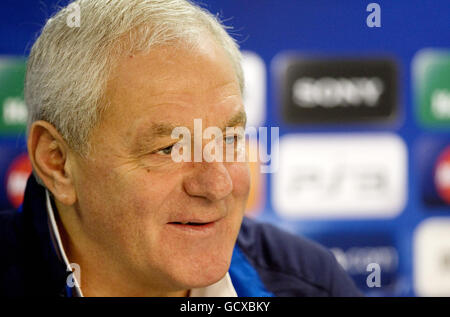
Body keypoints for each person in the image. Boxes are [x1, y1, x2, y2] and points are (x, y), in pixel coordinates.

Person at [0, 0, 361, 297]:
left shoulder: (310, 282)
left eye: (229, 139)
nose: (218, 185)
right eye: (170, 148)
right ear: (58, 162)